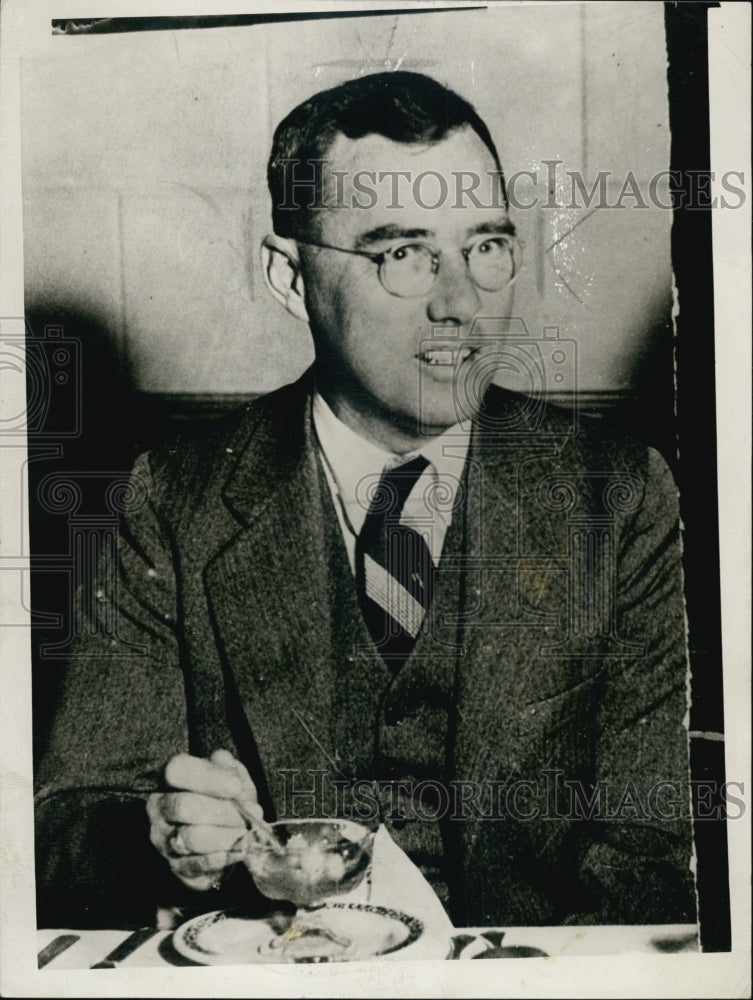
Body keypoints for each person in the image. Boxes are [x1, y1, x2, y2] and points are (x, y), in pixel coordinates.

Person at [34, 71, 696, 930]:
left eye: (485, 246)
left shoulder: (617, 496)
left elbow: (648, 853)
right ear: (288, 276)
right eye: (401, 253)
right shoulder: (172, 500)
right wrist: (156, 838)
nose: (460, 303)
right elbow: (62, 830)